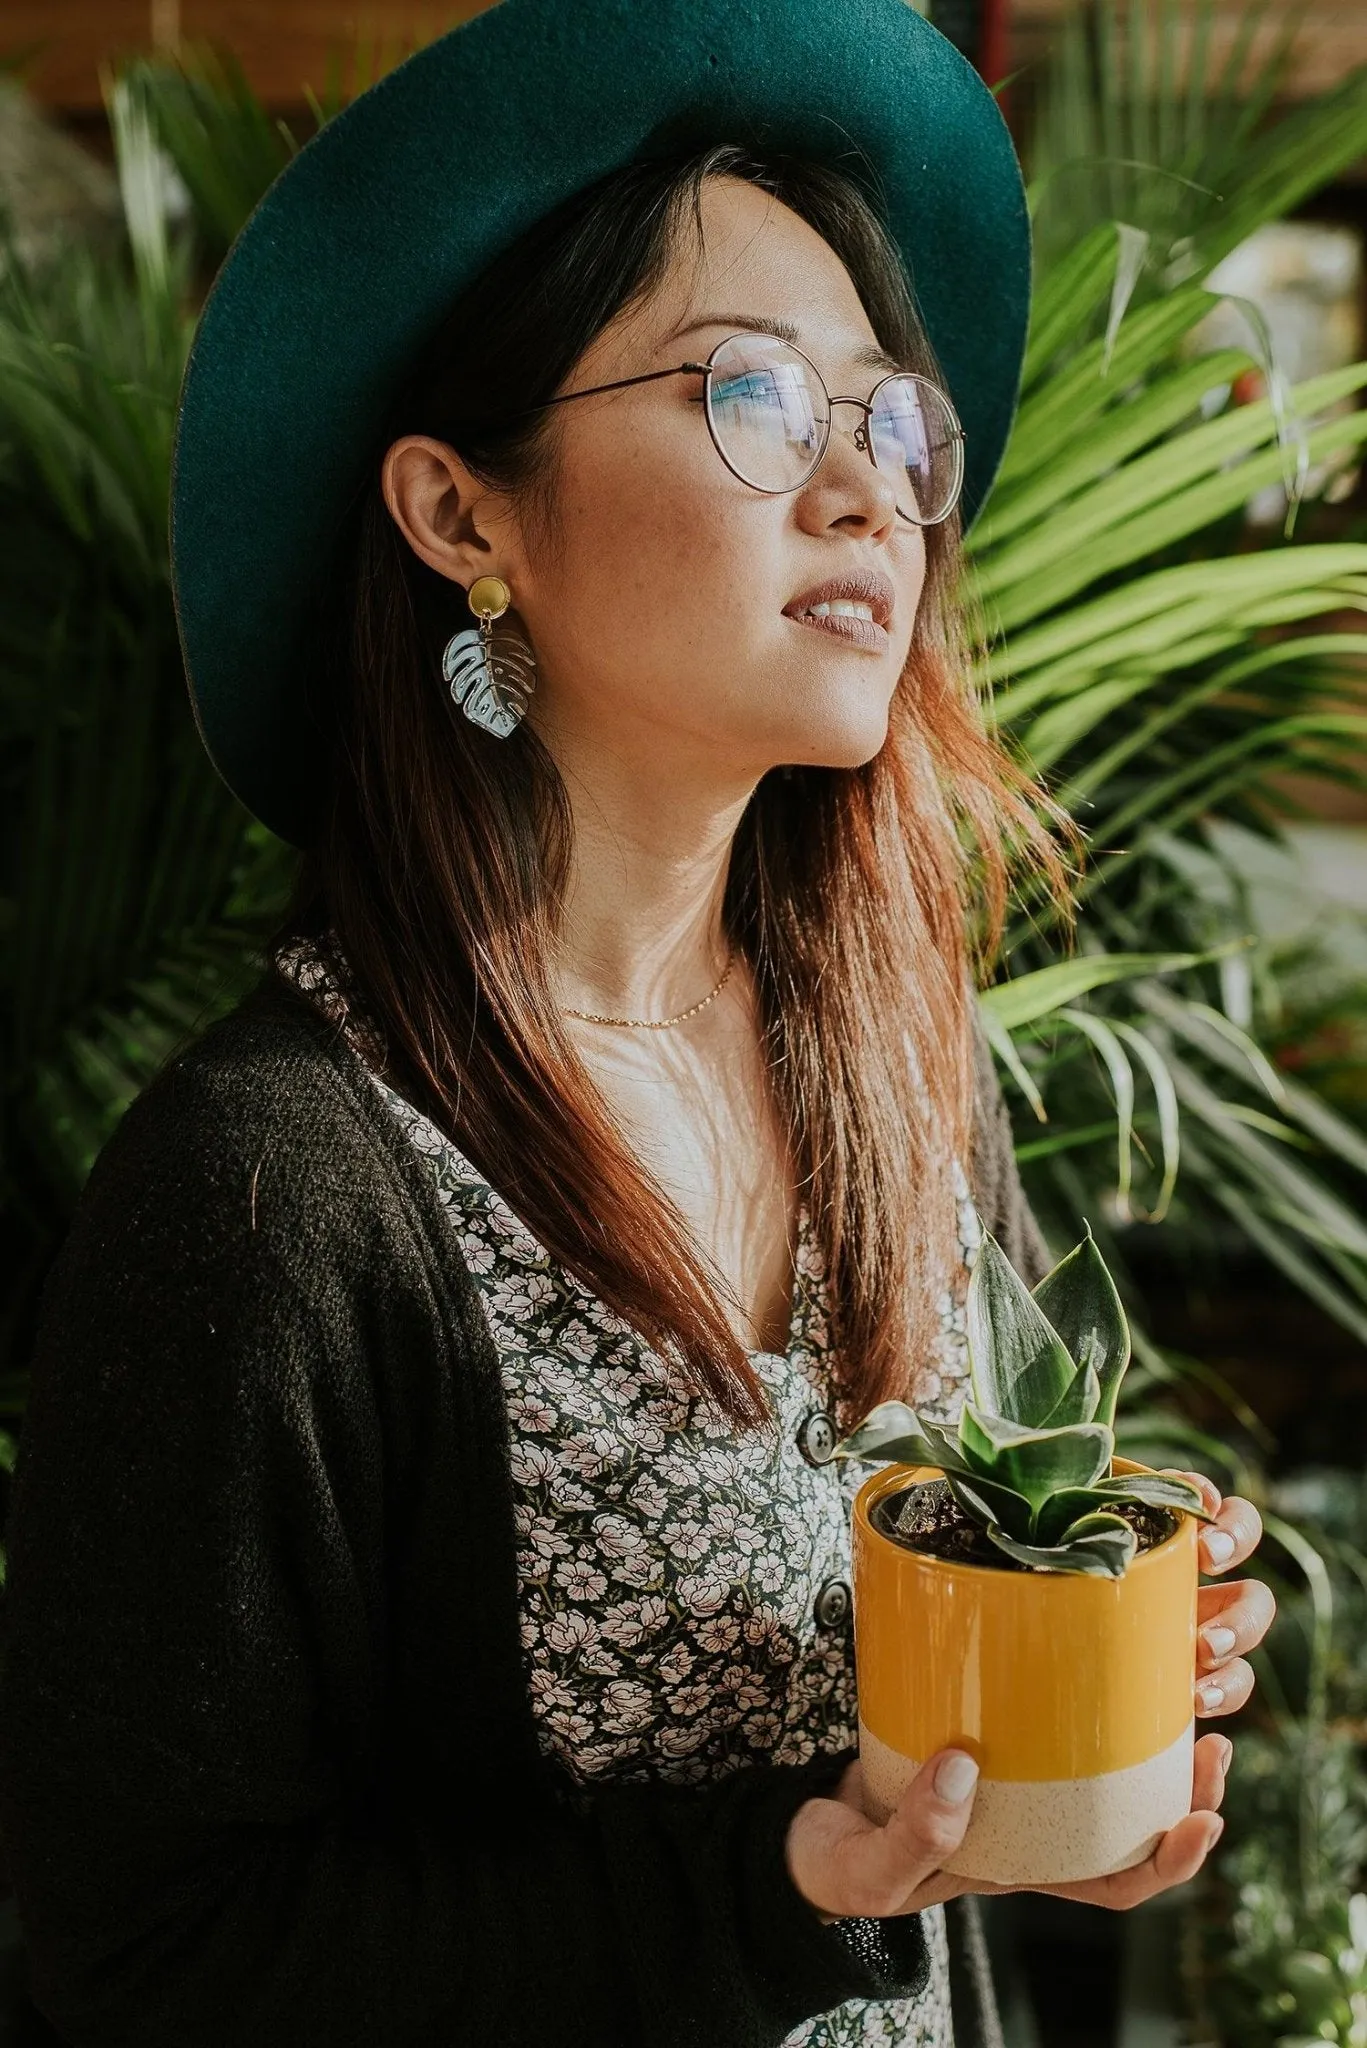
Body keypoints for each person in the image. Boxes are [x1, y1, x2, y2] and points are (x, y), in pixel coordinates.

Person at [0, 1, 1275, 2043]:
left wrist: (1101, 1692)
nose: (868, 488)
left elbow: (948, 1823)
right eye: (752, 396)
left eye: (893, 418)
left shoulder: (892, 1066)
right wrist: (775, 1883)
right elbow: (150, 1960)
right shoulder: (265, 1194)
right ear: (459, 514)